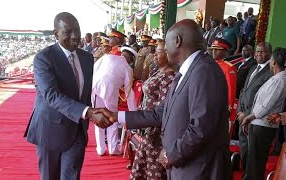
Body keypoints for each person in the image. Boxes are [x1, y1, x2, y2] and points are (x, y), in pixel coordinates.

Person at [95, 19, 231, 180]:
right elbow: (161, 112)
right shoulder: (189, 70)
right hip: (185, 167)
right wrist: (116, 116)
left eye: (166, 42)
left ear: (177, 41)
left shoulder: (205, 71)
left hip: (198, 170)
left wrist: (172, 155)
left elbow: (202, 127)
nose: (164, 48)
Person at [24, 12, 111, 180]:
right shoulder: (43, 58)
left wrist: (90, 114)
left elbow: (84, 93)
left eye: (77, 30)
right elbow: (51, 95)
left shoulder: (87, 58)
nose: (75, 36)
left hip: (77, 130)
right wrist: (88, 112)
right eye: (68, 31)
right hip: (50, 130)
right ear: (56, 34)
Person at [241, 47, 286, 180]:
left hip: (263, 126)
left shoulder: (279, 80)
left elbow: (265, 106)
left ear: (273, 62)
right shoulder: (276, 78)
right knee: (254, 160)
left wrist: (248, 118)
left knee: (256, 162)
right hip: (259, 124)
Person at [130, 42, 175, 179]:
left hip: (155, 132)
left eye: (158, 52)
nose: (154, 55)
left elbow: (162, 108)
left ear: (168, 54)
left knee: (153, 172)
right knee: (143, 169)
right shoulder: (158, 70)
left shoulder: (171, 77)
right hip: (146, 127)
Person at [92, 41, 137, 156]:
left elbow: (94, 69)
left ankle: (100, 149)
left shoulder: (106, 57)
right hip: (110, 90)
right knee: (111, 118)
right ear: (131, 59)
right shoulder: (127, 67)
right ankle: (113, 148)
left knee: (98, 116)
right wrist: (134, 114)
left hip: (94, 86)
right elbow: (128, 91)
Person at [237, 42, 273, 179]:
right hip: (242, 116)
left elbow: (264, 99)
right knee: (244, 149)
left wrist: (247, 115)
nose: (258, 54)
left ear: (269, 53)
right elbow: (243, 91)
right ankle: (245, 173)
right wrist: (240, 111)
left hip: (254, 118)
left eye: (262, 52)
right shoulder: (252, 68)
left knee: (253, 153)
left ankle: (249, 176)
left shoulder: (271, 71)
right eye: (257, 51)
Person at [210, 38, 237, 121]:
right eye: (213, 49)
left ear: (225, 52)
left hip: (220, 107)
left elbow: (231, 90)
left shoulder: (229, 68)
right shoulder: (210, 64)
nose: (214, 52)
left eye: (217, 49)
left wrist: (227, 109)